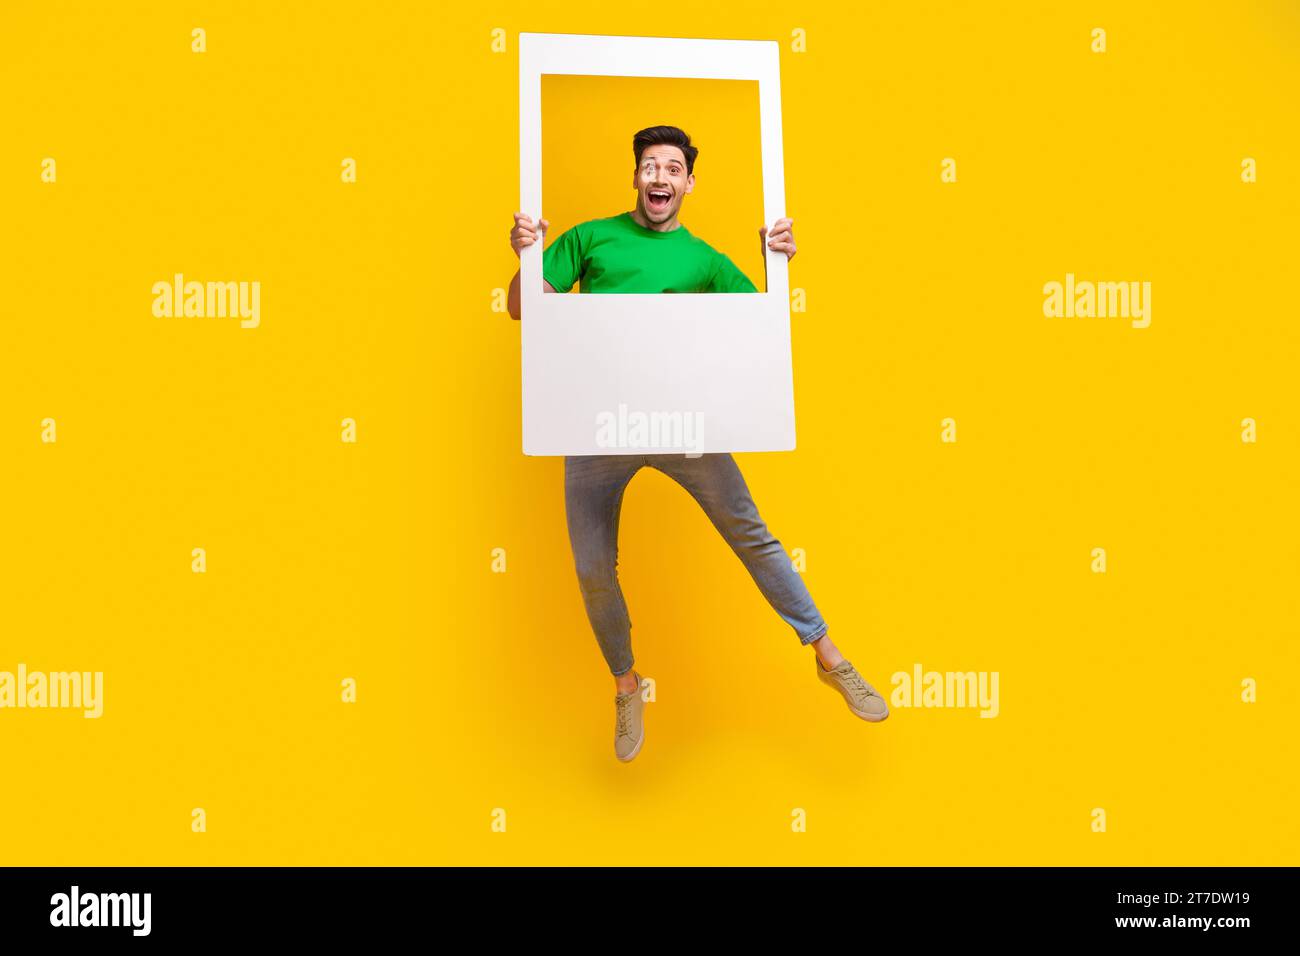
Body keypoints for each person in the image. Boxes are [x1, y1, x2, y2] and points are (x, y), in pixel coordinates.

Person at [505, 125, 889, 762]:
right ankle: (628, 687)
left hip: (683, 423)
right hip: (598, 425)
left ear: (687, 183)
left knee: (749, 530)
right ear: (636, 177)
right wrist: (523, 259)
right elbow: (526, 309)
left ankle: (828, 655)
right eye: (650, 166)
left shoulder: (707, 261)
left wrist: (777, 263)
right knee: (592, 567)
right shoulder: (589, 237)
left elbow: (761, 329)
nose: (660, 177)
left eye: (672, 168)